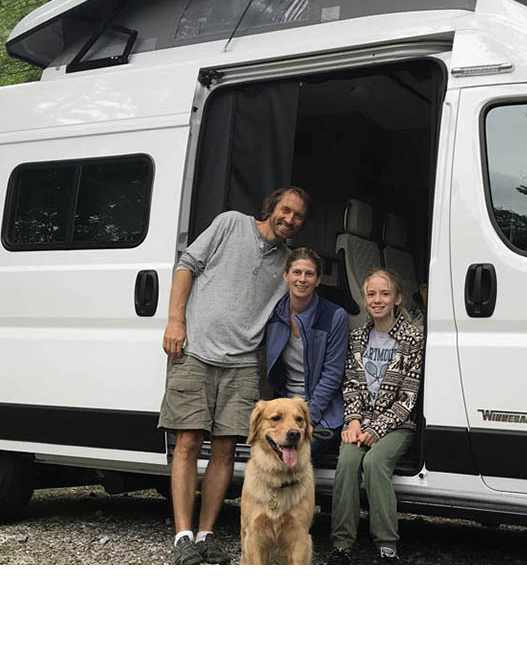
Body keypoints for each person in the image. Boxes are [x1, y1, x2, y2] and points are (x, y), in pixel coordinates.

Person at [158, 186, 310, 565]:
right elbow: (186, 266)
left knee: (226, 448)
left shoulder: (287, 263)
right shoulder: (230, 224)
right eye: (285, 210)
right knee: (188, 442)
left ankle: (206, 535)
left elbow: (299, 298)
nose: (289, 219)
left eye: (298, 216)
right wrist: (175, 320)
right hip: (195, 350)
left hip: (242, 362)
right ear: (271, 207)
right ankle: (182, 538)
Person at [328, 269, 423, 564]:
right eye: (371, 294)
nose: (377, 300)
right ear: (364, 299)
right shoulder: (357, 338)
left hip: (397, 425)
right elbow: (351, 385)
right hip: (361, 422)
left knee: (374, 462)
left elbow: (408, 397)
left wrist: (377, 429)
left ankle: (386, 545)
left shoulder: (412, 338)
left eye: (384, 294)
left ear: (397, 299)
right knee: (347, 462)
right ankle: (341, 544)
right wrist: (354, 421)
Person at [265, 247, 349, 460]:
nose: (302, 279)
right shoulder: (274, 314)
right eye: (297, 272)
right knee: (264, 453)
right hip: (284, 410)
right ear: (286, 276)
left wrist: (307, 418)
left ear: (318, 280)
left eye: (309, 274)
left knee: (297, 453)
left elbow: (332, 375)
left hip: (322, 413)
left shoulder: (334, 316)